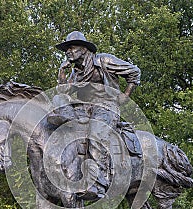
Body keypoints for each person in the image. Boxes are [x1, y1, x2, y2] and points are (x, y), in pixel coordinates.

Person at [53, 31, 141, 199]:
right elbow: (64, 92)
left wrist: (125, 96)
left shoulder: (104, 61)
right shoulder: (75, 72)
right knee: (60, 115)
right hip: (84, 109)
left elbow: (134, 72)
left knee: (96, 133)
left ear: (84, 48)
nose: (68, 51)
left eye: (71, 47)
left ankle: (98, 183)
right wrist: (62, 74)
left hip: (106, 108)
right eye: (66, 49)